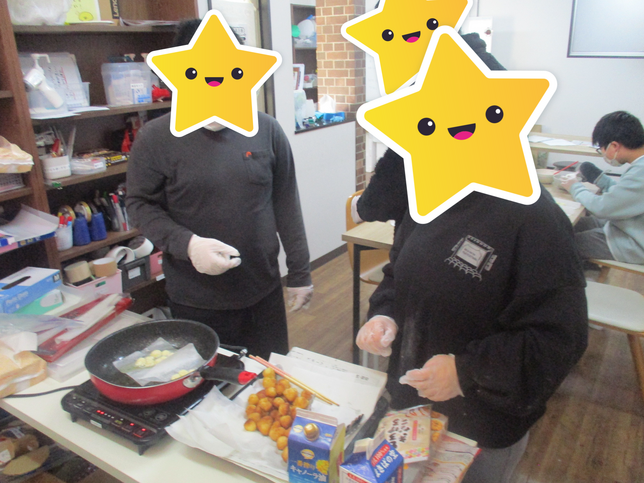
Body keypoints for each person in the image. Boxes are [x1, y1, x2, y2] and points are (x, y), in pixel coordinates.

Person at [356, 190, 588, 483]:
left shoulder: (536, 218)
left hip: (480, 427)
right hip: (409, 408)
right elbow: (398, 271)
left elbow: (559, 339)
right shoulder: (427, 195)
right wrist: (384, 313)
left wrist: (464, 371)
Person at [126, 20, 313, 359]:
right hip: (197, 299)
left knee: (269, 378)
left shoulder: (267, 130)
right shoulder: (155, 138)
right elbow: (139, 204)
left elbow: (286, 203)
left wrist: (300, 273)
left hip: (263, 290)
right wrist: (188, 244)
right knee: (211, 384)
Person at [355, 33, 506, 228]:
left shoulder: (434, 81)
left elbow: (378, 203)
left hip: (439, 232)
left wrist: (361, 206)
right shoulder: (495, 73)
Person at [561, 111, 644, 263]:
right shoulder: (639, 165)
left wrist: (574, 187)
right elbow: (626, 197)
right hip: (627, 225)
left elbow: (602, 208)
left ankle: (573, 273)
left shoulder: (641, 171)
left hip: (633, 244)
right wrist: (601, 180)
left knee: (559, 243)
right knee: (566, 225)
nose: (602, 153)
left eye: (601, 149)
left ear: (614, 146)